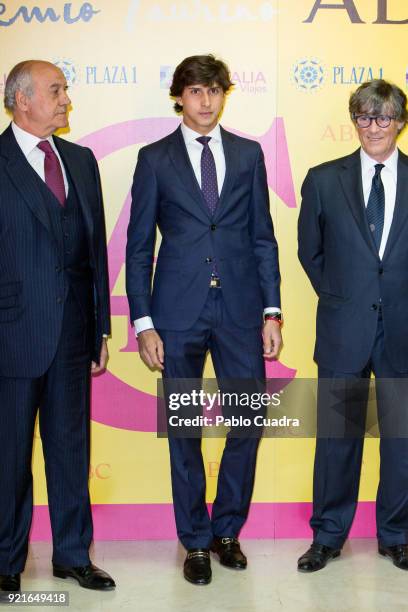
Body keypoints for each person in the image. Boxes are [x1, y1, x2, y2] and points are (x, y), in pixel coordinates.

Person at [126, 54, 282, 585]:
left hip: (240, 311)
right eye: (195, 91)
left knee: (247, 423)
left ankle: (226, 530)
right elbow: (139, 244)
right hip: (177, 313)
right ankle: (194, 539)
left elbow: (263, 235)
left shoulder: (248, 154)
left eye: (215, 90)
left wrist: (271, 310)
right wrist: (143, 322)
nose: (206, 100)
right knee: (184, 429)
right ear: (180, 97)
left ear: (224, 94)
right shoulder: (153, 159)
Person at [0, 60, 115, 592]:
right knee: (8, 456)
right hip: (11, 335)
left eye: (65, 89)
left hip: (73, 337)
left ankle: (73, 554)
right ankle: (6, 561)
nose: (66, 99)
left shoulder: (81, 160)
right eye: (55, 90)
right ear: (22, 100)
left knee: (71, 451)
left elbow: (95, 252)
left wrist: (99, 331)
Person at [297, 79, 408, 572]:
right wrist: (345, 297)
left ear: (400, 123)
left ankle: (398, 534)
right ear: (354, 120)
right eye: (364, 117)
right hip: (344, 330)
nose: (373, 127)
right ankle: (328, 536)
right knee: (337, 439)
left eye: (383, 117)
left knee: (402, 440)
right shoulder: (324, 179)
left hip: (404, 330)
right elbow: (310, 252)